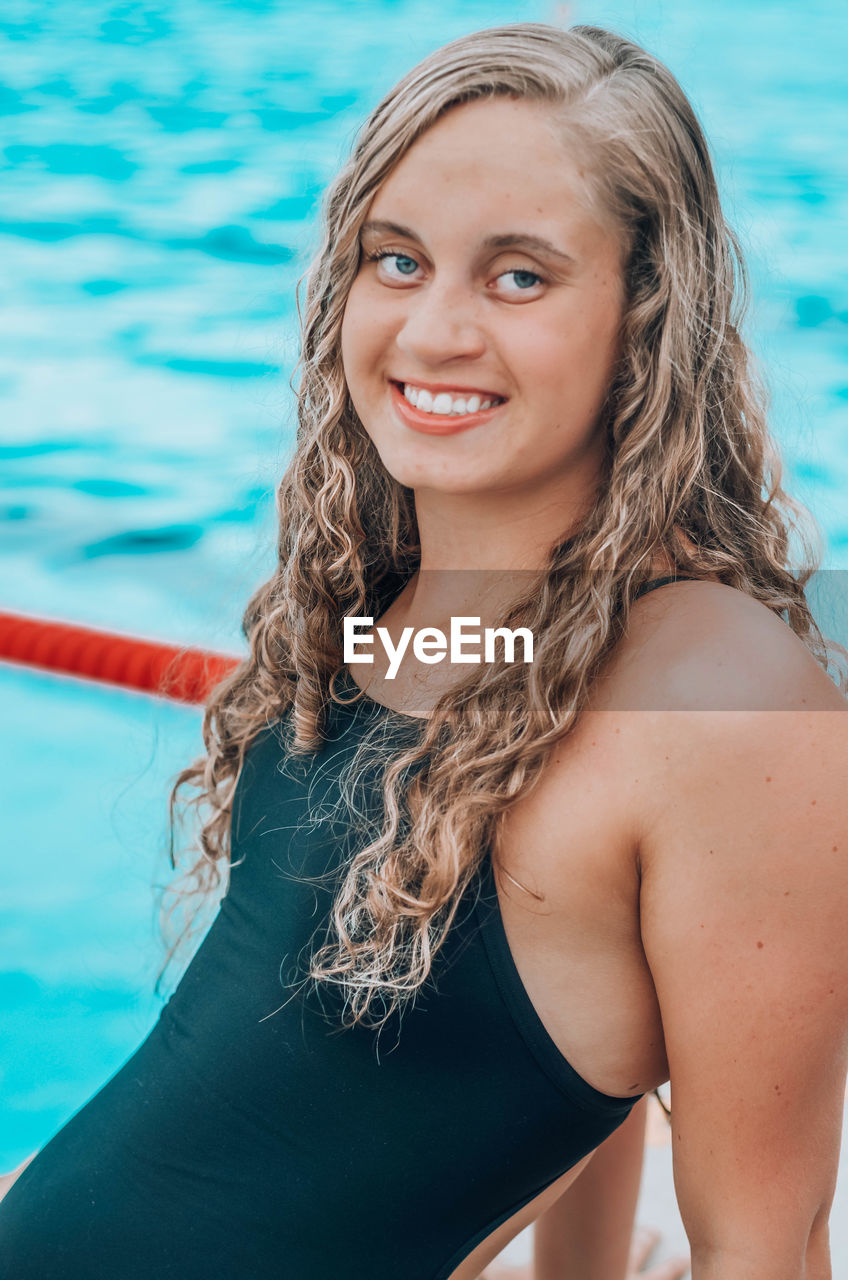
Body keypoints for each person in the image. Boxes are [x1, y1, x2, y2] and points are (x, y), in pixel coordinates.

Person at [1, 21, 846, 1280]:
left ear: (646, 315)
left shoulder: (719, 697)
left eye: (517, 277)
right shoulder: (395, 593)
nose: (431, 330)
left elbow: (758, 1245)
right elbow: (571, 1034)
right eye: (396, 261)